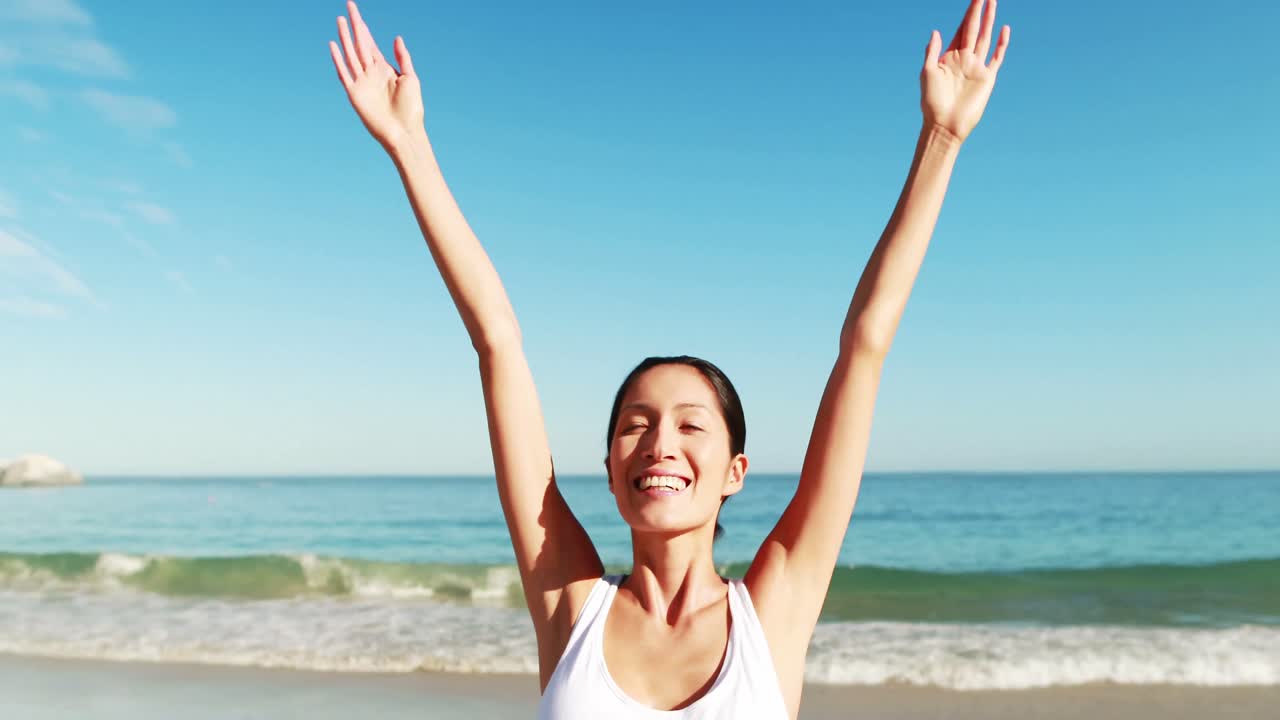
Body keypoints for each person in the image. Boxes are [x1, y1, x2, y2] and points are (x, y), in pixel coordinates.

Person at [328, 1, 1010, 717]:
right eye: (636, 423)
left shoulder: (774, 610)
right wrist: (409, 146)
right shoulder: (569, 604)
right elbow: (496, 339)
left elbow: (865, 345)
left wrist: (942, 136)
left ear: (735, 473)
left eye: (691, 426)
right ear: (610, 470)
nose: (660, 443)